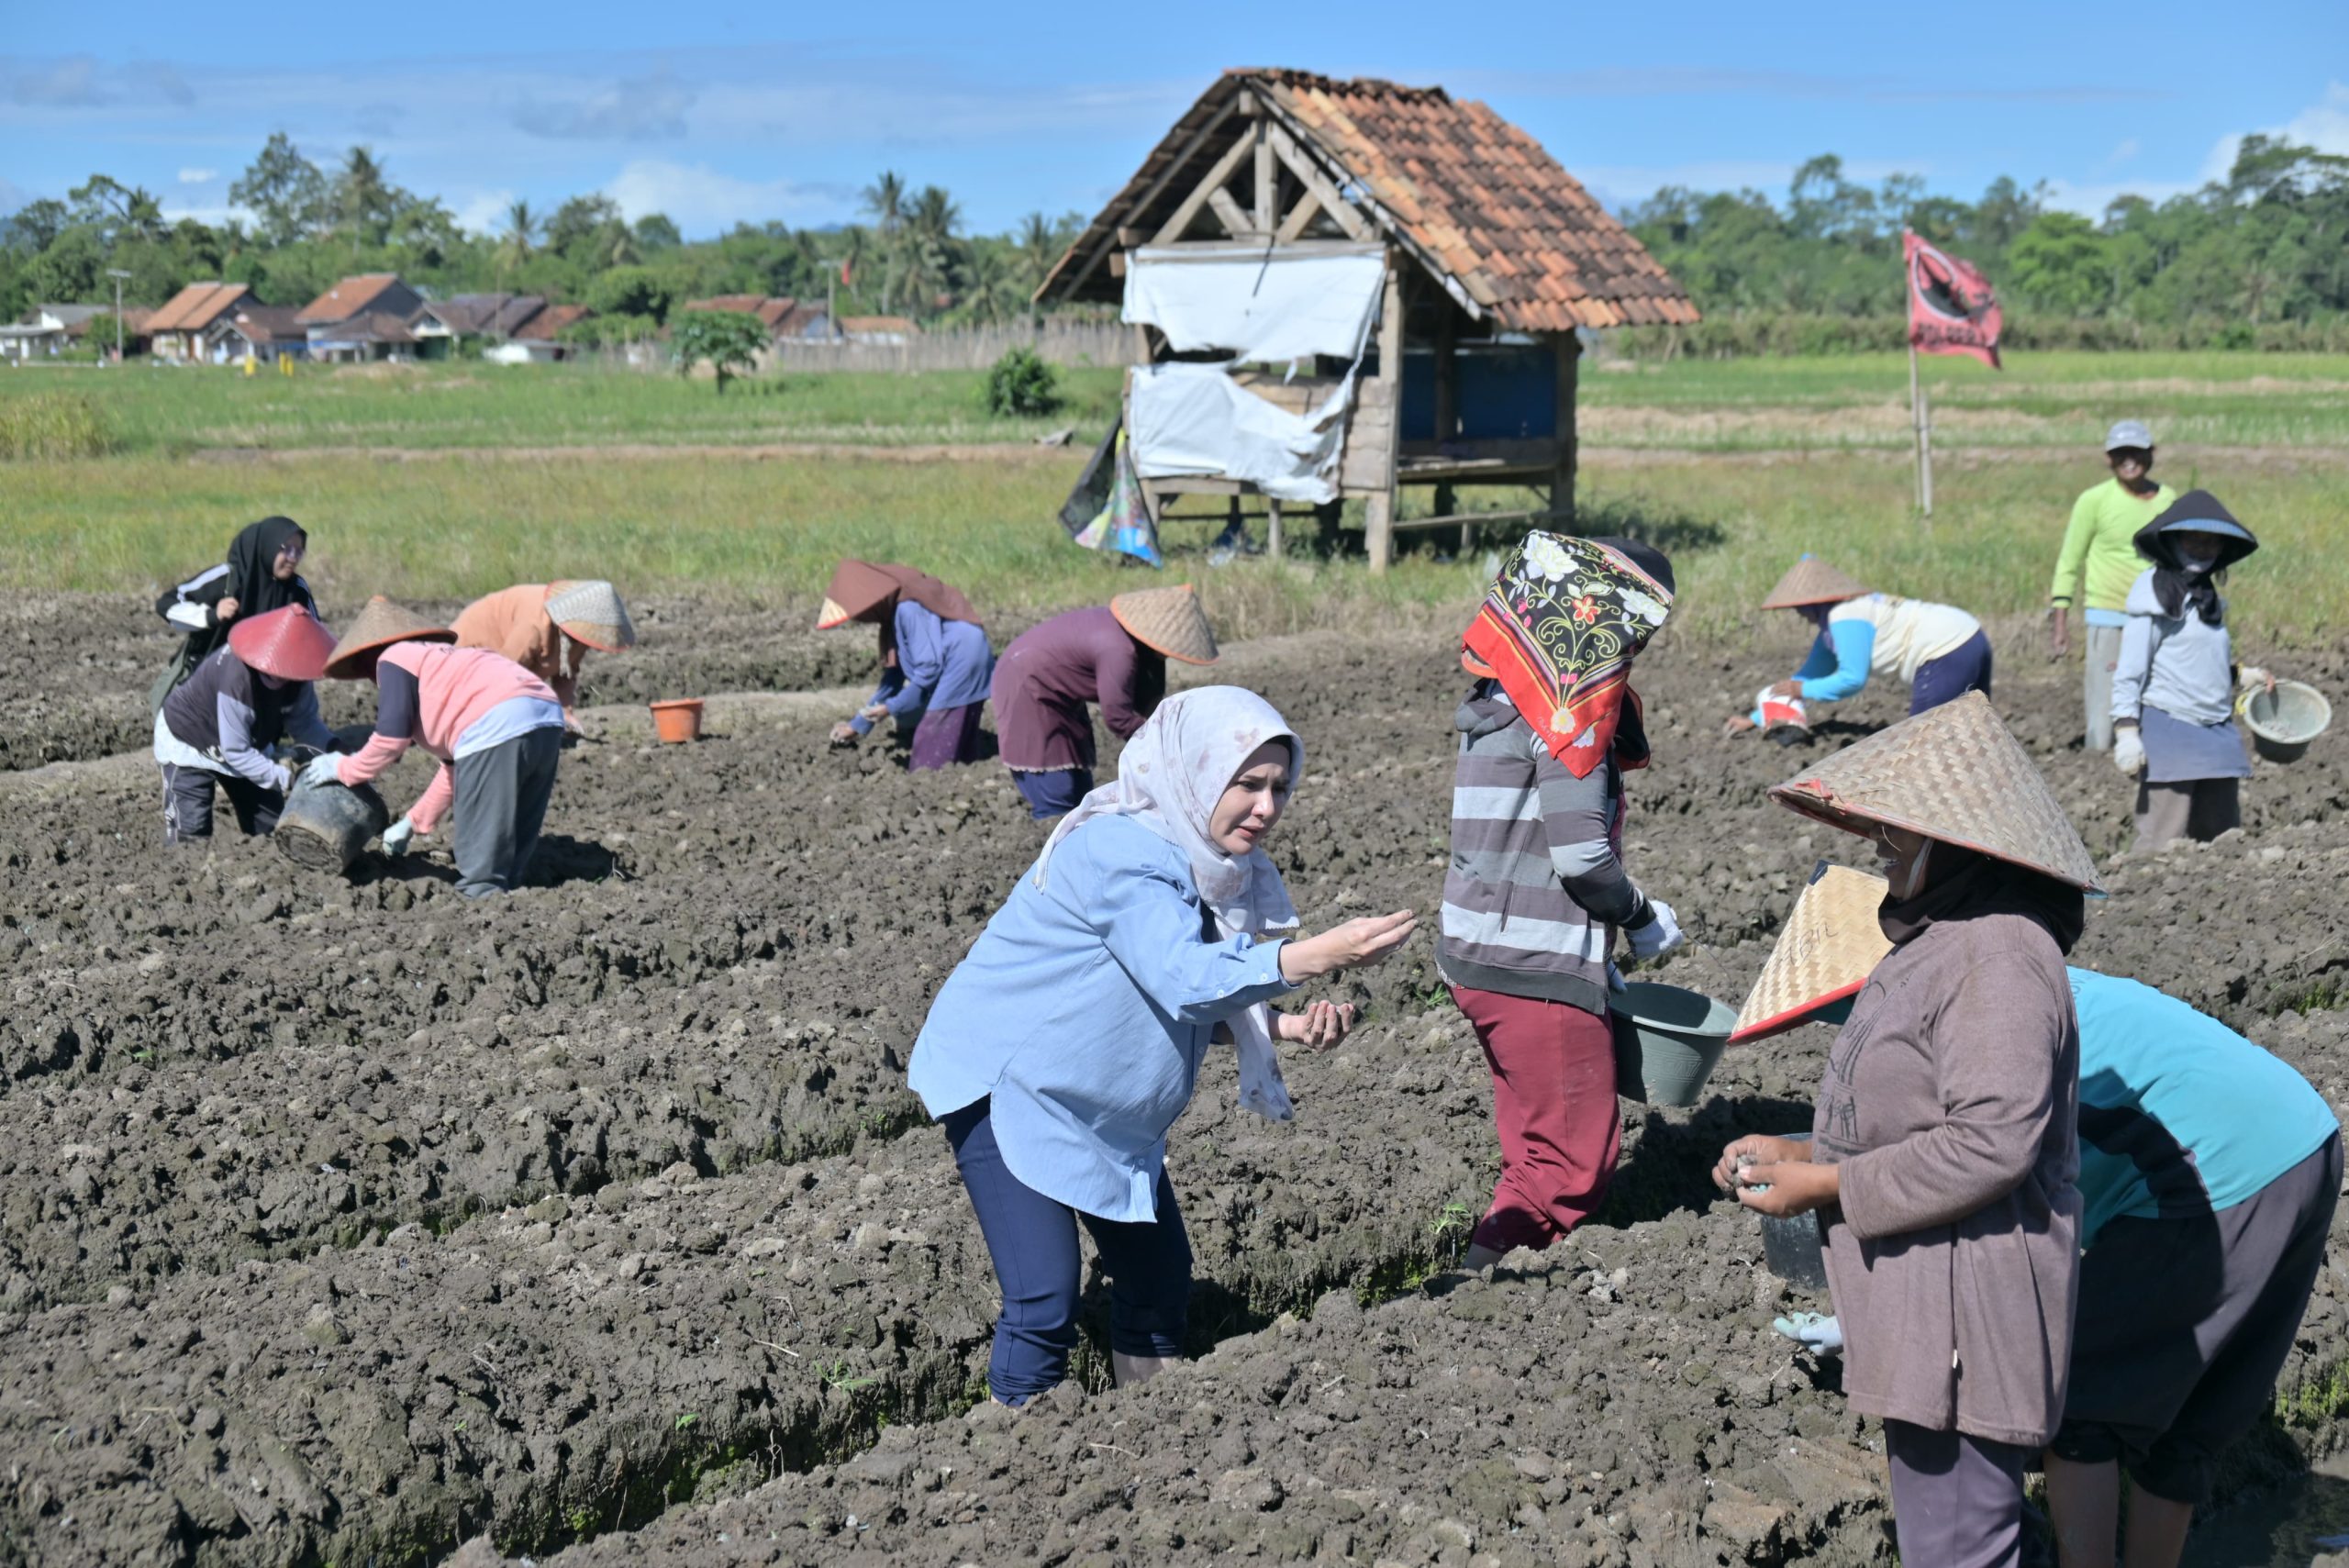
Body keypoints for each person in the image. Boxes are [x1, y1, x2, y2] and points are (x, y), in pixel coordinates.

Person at [1729, 878, 2341, 1568]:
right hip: (2303, 1137)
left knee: (2082, 1397)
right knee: (2184, 1421)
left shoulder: (1986, 1005)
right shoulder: (2006, 970)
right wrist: (1806, 1155)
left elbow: (1979, 1157)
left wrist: (1900, 1299)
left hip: (2217, 1174)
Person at [906, 688, 1417, 1406]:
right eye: (1248, 784)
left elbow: (1159, 991)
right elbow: (1181, 978)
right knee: (1044, 1297)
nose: (1266, 806)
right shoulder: (1119, 850)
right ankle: (1013, 1464)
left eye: (1279, 786)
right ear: (1195, 773)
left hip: (1098, 1098)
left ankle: (1151, 1427)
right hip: (1012, 1083)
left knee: (1157, 1276)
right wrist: (1308, 956)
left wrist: (1283, 1027)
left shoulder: (1206, 864)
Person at [1716, 691, 2100, 1566]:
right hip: (1931, 1307)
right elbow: (1916, 1118)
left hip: (1969, 1311)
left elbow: (1992, 1141)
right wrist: (1800, 1151)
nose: (1881, 851)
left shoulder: (2000, 954)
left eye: (1899, 836)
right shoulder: (1940, 940)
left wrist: (1831, 1184)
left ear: (1960, 845)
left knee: (1960, 1545)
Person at [1439, 532, 1685, 1271]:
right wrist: (1641, 919)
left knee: (1533, 1148)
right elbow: (1580, 859)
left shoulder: (1497, 700)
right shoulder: (1568, 715)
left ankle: (1478, 1278)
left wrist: (1588, 955)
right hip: (1531, 967)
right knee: (1570, 1165)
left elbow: (1517, 849)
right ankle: (1476, 1295)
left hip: (1479, 957)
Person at [305, 596, 565, 897]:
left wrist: (343, 768)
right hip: (545, 715)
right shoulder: (441, 666)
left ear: (367, 654)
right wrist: (411, 823)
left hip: (499, 719)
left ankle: (483, 899)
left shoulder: (394, 657)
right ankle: (513, 898)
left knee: (479, 848)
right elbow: (456, 768)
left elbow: (390, 740)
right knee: (518, 829)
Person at [2110, 491, 2270, 850]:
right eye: (2193, 539)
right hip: (2170, 728)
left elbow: (2197, 658)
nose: (2202, 547)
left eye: (2211, 540)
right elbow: (2131, 670)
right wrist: (2126, 731)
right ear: (2171, 542)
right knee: (2161, 842)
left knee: (2223, 841)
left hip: (2217, 732)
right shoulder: (2155, 592)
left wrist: (2241, 675)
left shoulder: (2206, 595)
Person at [990, 585, 1218, 820]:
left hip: (1058, 690)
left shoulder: (1136, 646)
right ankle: (1050, 840)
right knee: (1057, 791)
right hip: (1024, 685)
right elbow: (1118, 716)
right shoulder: (1118, 650)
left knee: (1080, 788)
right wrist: (1163, 747)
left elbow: (1148, 700)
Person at [1729, 556, 1991, 733]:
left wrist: (1802, 689)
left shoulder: (1846, 616)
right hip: (1970, 633)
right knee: (1974, 728)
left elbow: (1852, 679)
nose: (1797, 612)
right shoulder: (1834, 627)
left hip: (1944, 649)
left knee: (1922, 740)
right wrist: (1756, 719)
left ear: (1813, 603)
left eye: (1798, 606)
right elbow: (1805, 678)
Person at [153, 605, 340, 843]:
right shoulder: (238, 678)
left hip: (246, 743)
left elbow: (305, 723)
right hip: (192, 738)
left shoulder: (299, 676)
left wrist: (336, 750)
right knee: (191, 833)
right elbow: (236, 752)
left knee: (272, 827)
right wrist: (289, 778)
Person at [2051, 420, 2175, 751]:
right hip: (2108, 615)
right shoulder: (2093, 501)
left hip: (2155, 616)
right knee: (2105, 703)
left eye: (2136, 452)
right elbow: (2069, 560)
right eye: (2121, 454)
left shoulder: (2168, 500)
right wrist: (2060, 620)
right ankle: (2099, 761)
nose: (2129, 460)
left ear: (2151, 454)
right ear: (2109, 458)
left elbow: (2178, 560)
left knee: (2153, 700)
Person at [816, 561, 995, 770]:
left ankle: (934, 787)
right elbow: (892, 681)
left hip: (962, 662)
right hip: (971, 657)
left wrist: (891, 708)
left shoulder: (908, 608)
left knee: (929, 757)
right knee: (961, 748)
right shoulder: (894, 616)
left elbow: (929, 668)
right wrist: (859, 724)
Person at [150, 517, 313, 714]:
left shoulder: (297, 590)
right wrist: (211, 615)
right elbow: (167, 604)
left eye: (299, 551)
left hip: (262, 696)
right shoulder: (227, 578)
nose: (293, 558)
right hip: (204, 694)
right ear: (267, 546)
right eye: (286, 549)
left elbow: (314, 635)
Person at [451, 580, 636, 728]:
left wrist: (565, 712)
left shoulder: (579, 637)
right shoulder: (534, 628)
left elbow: (566, 671)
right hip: (475, 651)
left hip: (506, 667)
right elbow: (502, 674)